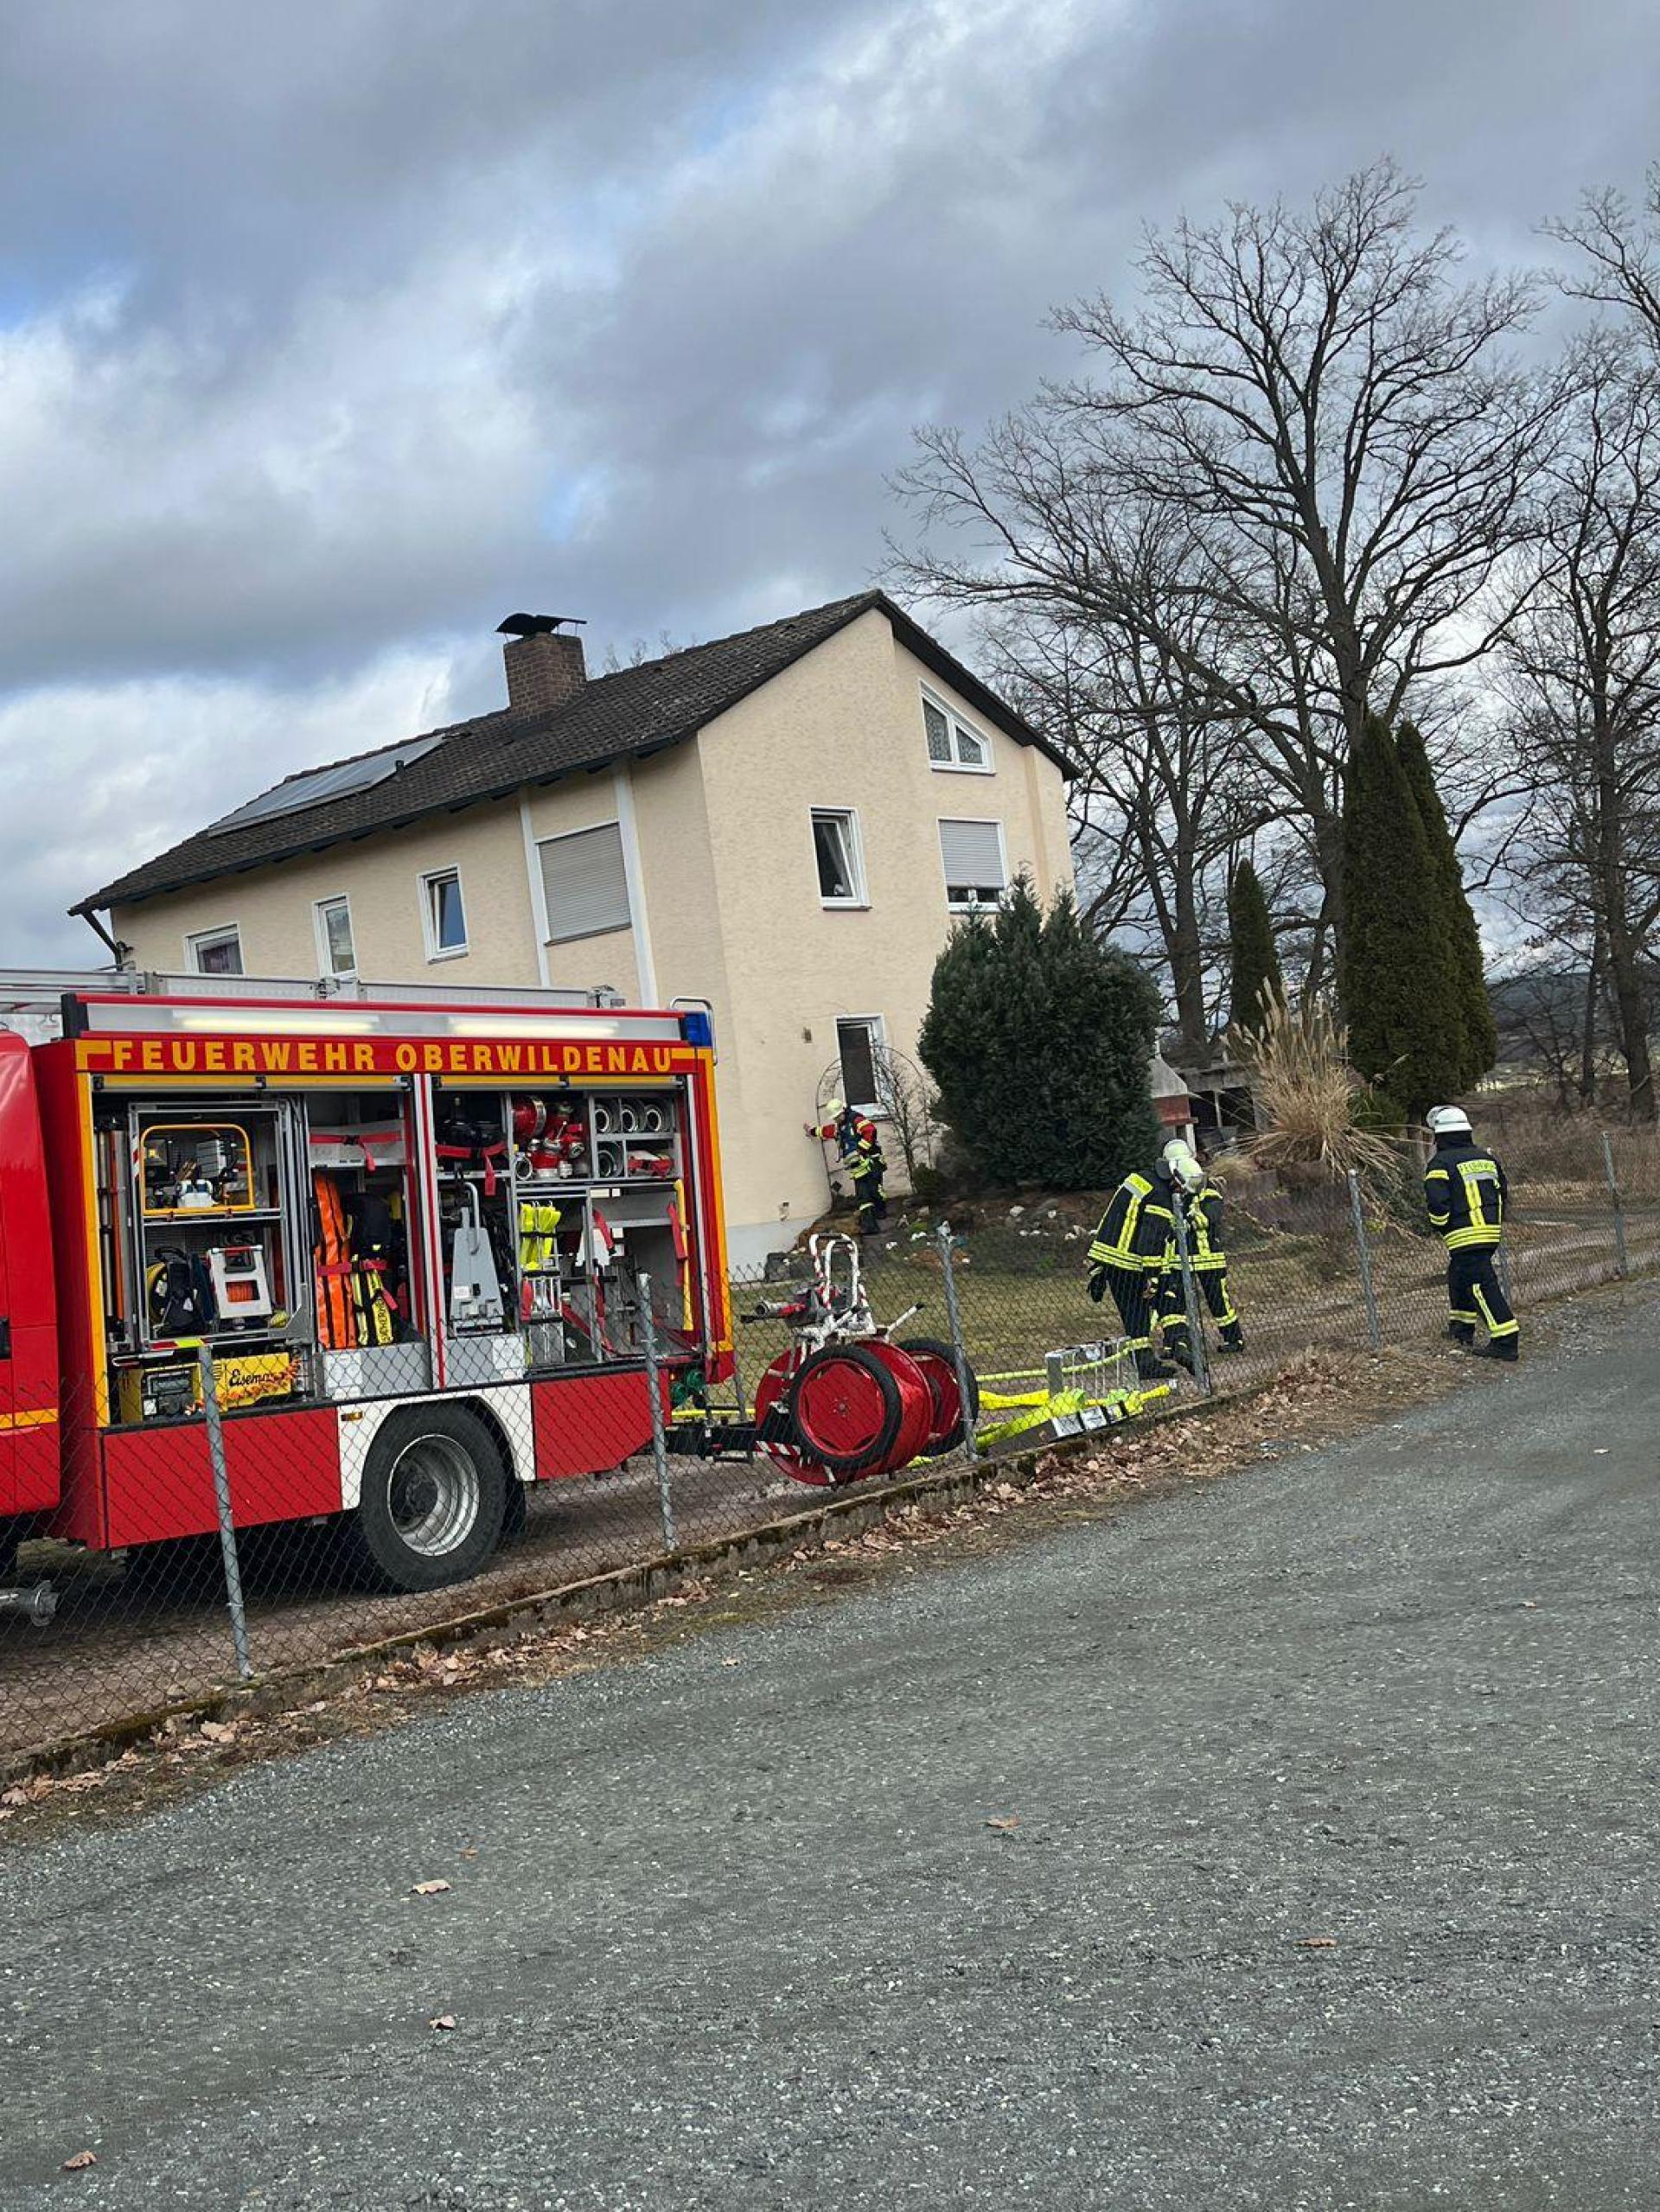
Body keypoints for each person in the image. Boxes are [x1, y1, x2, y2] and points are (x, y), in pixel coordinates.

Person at [1424, 1105, 1519, 1361]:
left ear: (1439, 1136)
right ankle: (1461, 1329)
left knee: (1480, 1285)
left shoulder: (1440, 1163)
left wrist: (1439, 1225)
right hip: (1489, 1232)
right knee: (1459, 1275)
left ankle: (1506, 1340)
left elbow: (1437, 1203)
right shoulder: (1486, 1159)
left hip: (1464, 1235)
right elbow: (1504, 1192)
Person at [1086, 1159, 1180, 1379]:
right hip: (1130, 1262)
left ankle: (1144, 1362)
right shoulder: (1161, 1196)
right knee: (1139, 1312)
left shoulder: (1139, 1179)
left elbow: (1112, 1219)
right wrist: (1152, 1276)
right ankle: (1146, 1364)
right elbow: (1151, 1240)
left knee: (1132, 1314)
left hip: (1109, 1256)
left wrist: (1099, 1268)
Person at [1156, 1141, 1246, 1360]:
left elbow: (1213, 1214)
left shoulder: (1207, 1188)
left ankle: (1233, 1338)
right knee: (1174, 1302)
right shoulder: (1171, 1191)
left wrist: (1187, 1220)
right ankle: (1175, 1343)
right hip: (1179, 1258)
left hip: (1208, 1257)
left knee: (1218, 1301)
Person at [848, 1118, 888, 1240]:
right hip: (860, 1167)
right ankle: (869, 1224)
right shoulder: (843, 1127)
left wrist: (860, 1149)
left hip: (873, 1162)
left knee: (875, 1191)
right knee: (864, 1197)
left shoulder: (856, 1119)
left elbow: (870, 1130)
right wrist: (813, 1131)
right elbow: (829, 1131)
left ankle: (881, 1210)